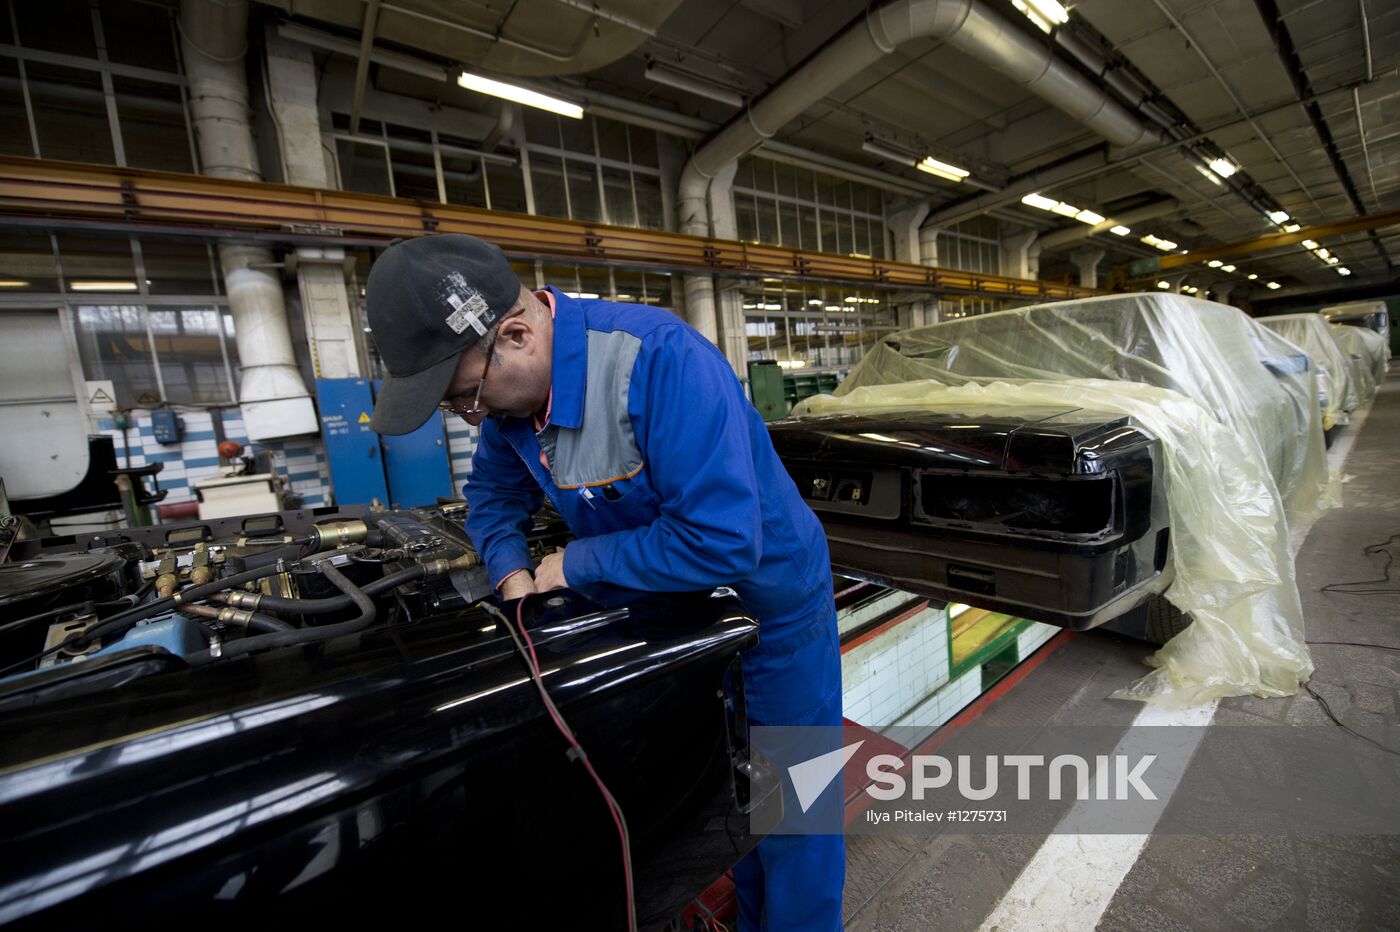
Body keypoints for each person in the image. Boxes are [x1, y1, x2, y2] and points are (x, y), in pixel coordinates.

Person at [366, 233, 844, 930]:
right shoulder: (514, 408)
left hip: (772, 610)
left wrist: (575, 565)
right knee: (731, 798)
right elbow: (493, 498)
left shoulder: (660, 360)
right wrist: (512, 574)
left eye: (467, 396)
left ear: (517, 335)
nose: (476, 415)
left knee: (795, 809)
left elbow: (723, 541)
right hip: (672, 617)